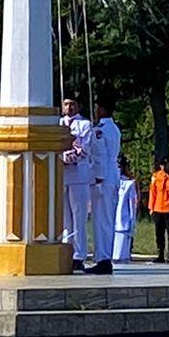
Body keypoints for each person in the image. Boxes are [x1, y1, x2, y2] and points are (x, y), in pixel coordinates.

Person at [88, 99, 121, 274]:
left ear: (101, 110)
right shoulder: (114, 128)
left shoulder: (99, 130)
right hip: (113, 175)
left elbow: (99, 155)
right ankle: (104, 256)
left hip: (103, 177)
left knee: (101, 220)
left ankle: (103, 258)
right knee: (107, 219)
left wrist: (98, 178)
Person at [60, 95, 94, 269]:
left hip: (78, 176)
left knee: (78, 217)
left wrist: (63, 158)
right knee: (65, 218)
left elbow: (83, 150)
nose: (69, 107)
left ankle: (79, 255)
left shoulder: (85, 125)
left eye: (72, 104)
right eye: (66, 104)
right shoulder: (57, 124)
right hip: (61, 176)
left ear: (78, 106)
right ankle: (66, 251)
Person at [148, 158, 169, 263]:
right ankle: (160, 254)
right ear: (161, 166)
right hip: (158, 208)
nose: (168, 167)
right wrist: (151, 208)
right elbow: (152, 193)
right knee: (159, 233)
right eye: (166, 165)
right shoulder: (155, 176)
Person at [114, 156, 139, 264]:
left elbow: (132, 204)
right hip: (111, 223)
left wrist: (132, 221)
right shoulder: (111, 182)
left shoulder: (129, 184)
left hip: (123, 222)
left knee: (121, 256)